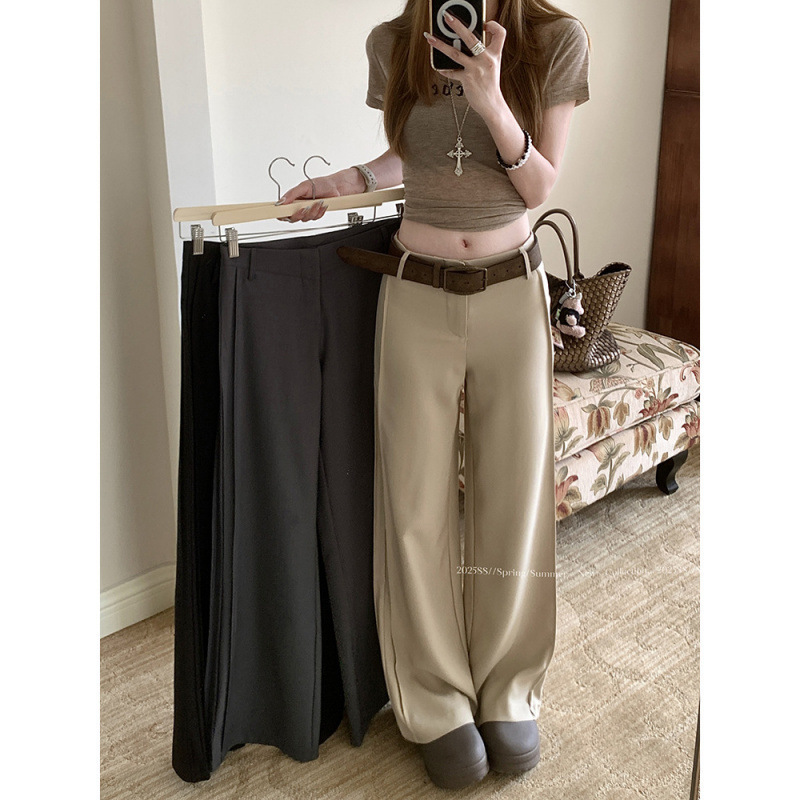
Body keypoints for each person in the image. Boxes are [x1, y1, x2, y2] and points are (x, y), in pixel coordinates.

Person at [277, 0, 590, 789]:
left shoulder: (554, 39)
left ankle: (507, 689)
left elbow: (538, 185)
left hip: (511, 295)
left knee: (511, 497)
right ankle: (435, 698)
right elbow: (410, 158)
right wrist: (348, 180)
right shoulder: (394, 43)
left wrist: (490, 98)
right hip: (415, 294)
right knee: (414, 503)